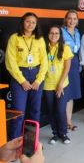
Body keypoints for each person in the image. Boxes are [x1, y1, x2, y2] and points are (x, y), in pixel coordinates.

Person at [5, 12, 48, 140]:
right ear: (23, 22)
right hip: (20, 76)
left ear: (36, 25)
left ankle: (30, 143)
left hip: (36, 75)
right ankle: (15, 145)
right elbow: (10, 62)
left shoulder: (39, 39)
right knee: (19, 112)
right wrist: (22, 81)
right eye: (28, 21)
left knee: (34, 112)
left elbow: (44, 61)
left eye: (33, 22)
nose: (30, 24)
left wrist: (38, 80)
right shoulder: (14, 38)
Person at [44, 25, 73, 144]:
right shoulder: (43, 47)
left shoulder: (65, 47)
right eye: (51, 33)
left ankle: (64, 133)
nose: (54, 35)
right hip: (47, 85)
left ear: (60, 36)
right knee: (51, 111)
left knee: (60, 110)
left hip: (62, 84)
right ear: (48, 34)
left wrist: (60, 84)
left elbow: (67, 68)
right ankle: (55, 134)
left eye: (57, 33)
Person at [62, 10, 81, 131]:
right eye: (69, 18)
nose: (72, 21)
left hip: (74, 65)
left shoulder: (78, 33)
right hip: (63, 64)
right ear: (65, 19)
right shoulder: (60, 32)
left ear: (77, 21)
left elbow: (78, 50)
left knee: (71, 95)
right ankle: (62, 121)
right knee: (63, 94)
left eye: (74, 19)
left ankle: (68, 121)